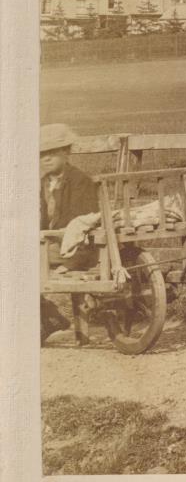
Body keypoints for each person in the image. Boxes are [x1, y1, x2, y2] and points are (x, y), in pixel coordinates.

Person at [38, 123, 100, 343]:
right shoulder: (45, 183)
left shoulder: (79, 181)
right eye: (42, 154)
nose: (46, 158)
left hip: (78, 248)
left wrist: (72, 261)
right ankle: (47, 318)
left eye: (52, 152)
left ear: (66, 152)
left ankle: (50, 319)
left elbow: (83, 224)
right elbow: (40, 218)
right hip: (52, 244)